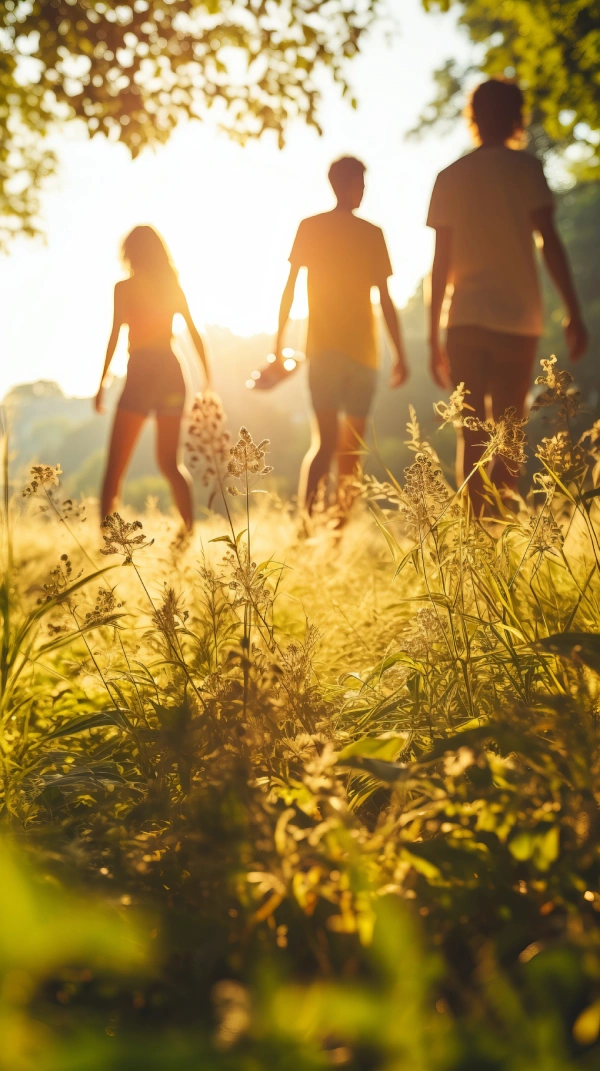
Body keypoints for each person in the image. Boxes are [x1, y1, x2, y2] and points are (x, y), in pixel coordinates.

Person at [427, 78, 588, 506]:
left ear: (474, 117)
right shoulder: (526, 169)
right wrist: (573, 311)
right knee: (510, 431)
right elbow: (549, 242)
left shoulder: (450, 176)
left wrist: (431, 335)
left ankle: (476, 530)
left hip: (464, 319)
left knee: (472, 435)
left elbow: (440, 265)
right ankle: (499, 527)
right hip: (517, 317)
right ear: (517, 116)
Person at [274, 156, 408, 514]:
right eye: (359, 183)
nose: (363, 190)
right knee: (347, 448)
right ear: (344, 184)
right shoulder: (370, 233)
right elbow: (385, 299)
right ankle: (327, 530)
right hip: (357, 354)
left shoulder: (313, 227)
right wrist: (400, 355)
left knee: (328, 443)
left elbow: (289, 290)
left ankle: (313, 527)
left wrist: (278, 344)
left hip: (329, 353)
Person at [95, 225, 209, 529]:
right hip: (171, 373)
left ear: (129, 252)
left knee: (115, 467)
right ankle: (187, 533)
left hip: (142, 373)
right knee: (171, 464)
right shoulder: (171, 286)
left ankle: (106, 537)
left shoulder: (124, 288)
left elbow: (114, 335)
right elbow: (194, 333)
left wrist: (101, 384)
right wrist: (207, 380)